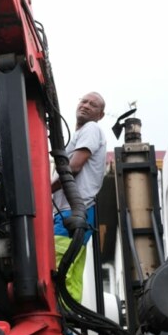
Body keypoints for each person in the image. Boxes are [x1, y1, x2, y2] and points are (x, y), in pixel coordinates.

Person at [52, 92, 107, 303]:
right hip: (78, 214)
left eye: (93, 105)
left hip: (72, 214)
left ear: (100, 115)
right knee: (70, 276)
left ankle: (60, 324)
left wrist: (44, 191)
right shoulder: (76, 137)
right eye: (84, 101)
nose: (86, 105)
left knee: (57, 270)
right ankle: (67, 329)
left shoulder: (91, 129)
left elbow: (73, 167)